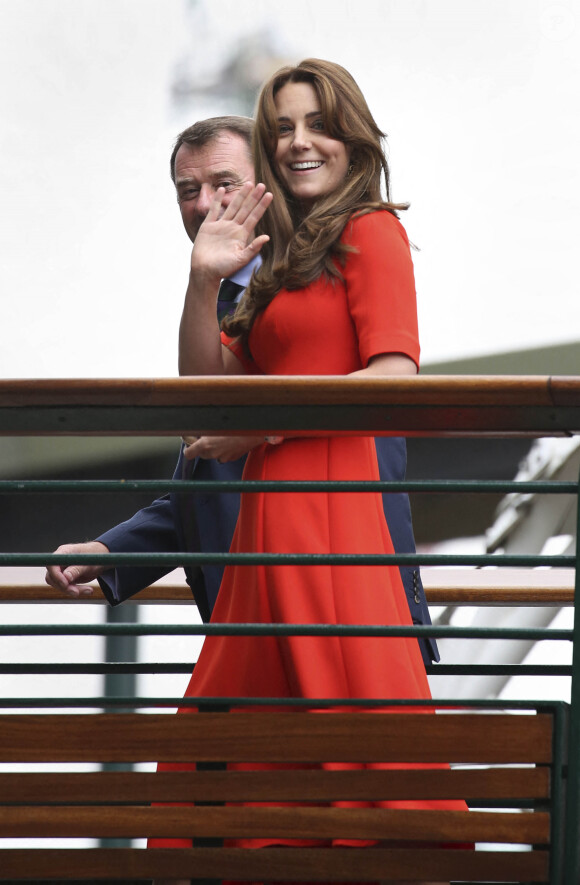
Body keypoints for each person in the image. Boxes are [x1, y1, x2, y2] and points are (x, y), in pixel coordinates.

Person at [156, 59, 467, 885]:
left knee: (352, 772)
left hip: (335, 522)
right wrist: (203, 283)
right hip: (268, 534)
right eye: (283, 127)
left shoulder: (371, 228)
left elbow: (395, 378)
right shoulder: (281, 259)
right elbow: (205, 403)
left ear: (351, 136)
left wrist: (263, 427)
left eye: (317, 123)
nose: (298, 141)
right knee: (233, 785)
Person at [44, 115, 437, 666]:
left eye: (225, 183)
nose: (206, 205)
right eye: (188, 191)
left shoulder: (330, 279)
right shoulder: (221, 306)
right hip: (250, 612)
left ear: (272, 180)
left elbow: (378, 395)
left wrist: (259, 429)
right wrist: (111, 551)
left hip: (337, 596)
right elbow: (209, 461)